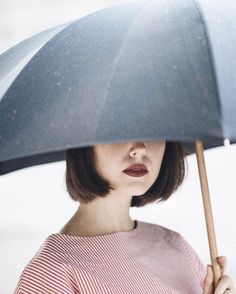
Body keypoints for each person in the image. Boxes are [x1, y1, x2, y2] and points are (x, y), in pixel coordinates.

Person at [14, 141, 235, 293]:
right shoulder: (50, 274)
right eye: (120, 132)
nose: (139, 149)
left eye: (152, 129)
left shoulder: (175, 245)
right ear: (83, 143)